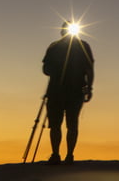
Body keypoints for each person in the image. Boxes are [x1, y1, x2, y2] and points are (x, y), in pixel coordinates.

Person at [40, 22, 95, 163]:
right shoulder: (83, 46)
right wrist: (89, 88)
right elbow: (89, 69)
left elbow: (46, 70)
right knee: (71, 124)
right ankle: (68, 155)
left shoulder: (54, 47)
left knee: (56, 125)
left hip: (56, 91)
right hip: (74, 91)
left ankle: (56, 155)